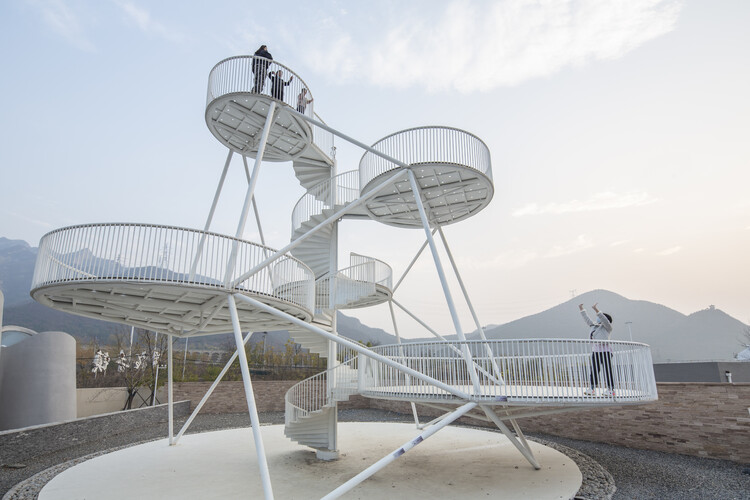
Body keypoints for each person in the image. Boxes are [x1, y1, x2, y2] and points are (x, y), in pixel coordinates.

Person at [579, 303, 614, 396]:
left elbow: (603, 319)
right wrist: (581, 309)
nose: (597, 319)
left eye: (599, 317)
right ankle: (592, 388)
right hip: (596, 352)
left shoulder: (607, 327)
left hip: (605, 352)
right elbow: (587, 319)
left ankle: (611, 389)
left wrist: (596, 309)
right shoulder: (594, 326)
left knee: (607, 370)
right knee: (594, 370)